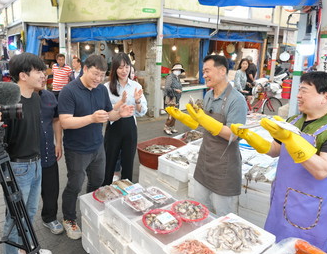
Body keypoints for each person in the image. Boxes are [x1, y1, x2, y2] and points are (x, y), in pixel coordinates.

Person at [230, 71, 327, 251]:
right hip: (281, 200)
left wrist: (291, 139)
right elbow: (275, 150)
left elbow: (322, 170)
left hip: (311, 208)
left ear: (326, 96)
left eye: (304, 91)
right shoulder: (294, 120)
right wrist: (250, 137)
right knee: (273, 250)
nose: (297, 95)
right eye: (299, 90)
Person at [58, 55, 134, 239]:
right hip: (76, 148)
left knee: (97, 181)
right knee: (75, 184)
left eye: (102, 75)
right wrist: (91, 118)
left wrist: (119, 114)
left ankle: (90, 211)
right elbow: (65, 122)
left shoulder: (100, 90)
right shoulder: (69, 91)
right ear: (85, 69)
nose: (99, 79)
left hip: (97, 145)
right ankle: (69, 218)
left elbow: (108, 115)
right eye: (95, 74)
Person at [166, 55, 247, 216]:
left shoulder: (237, 100)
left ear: (222, 71)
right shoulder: (209, 95)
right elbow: (201, 124)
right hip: (204, 161)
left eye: (207, 71)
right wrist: (182, 116)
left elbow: (234, 135)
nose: (204, 75)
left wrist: (204, 118)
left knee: (222, 215)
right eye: (203, 71)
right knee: (200, 209)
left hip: (224, 166)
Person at [1, 53, 52, 254]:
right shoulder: (10, 101)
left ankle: (24, 250)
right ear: (23, 75)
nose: (44, 75)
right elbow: (1, 139)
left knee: (30, 210)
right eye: (39, 71)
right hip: (17, 166)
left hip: (35, 162)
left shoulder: (36, 97)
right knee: (14, 216)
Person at [103, 53, 147, 186]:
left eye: (127, 67)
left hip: (130, 127)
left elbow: (142, 111)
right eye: (121, 67)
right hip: (113, 126)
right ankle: (105, 188)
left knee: (128, 162)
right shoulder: (107, 87)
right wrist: (120, 103)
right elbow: (105, 110)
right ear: (115, 69)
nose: (124, 71)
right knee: (109, 161)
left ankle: (127, 193)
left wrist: (138, 100)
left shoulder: (136, 86)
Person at [37, 75, 64, 235]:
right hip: (25, 158)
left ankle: (49, 217)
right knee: (25, 194)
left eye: (43, 72)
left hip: (48, 151)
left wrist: (58, 143)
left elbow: (56, 120)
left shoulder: (49, 96)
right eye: (38, 72)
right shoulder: (16, 98)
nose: (43, 76)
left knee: (51, 188)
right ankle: (22, 228)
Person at [163, 63, 184, 135]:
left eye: (179, 70)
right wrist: (175, 90)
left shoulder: (177, 77)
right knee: (170, 115)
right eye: (177, 69)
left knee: (175, 114)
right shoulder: (170, 77)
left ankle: (172, 127)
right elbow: (167, 88)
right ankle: (167, 127)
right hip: (171, 98)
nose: (178, 71)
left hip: (176, 99)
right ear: (173, 70)